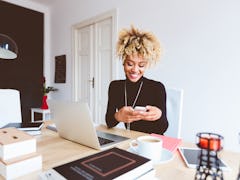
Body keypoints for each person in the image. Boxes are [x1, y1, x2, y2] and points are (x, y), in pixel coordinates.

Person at [105, 25, 168, 135]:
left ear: (146, 65)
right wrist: (118, 116)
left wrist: (159, 115)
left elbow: (163, 128)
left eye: (141, 65)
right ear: (123, 62)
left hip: (151, 142)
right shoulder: (115, 87)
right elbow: (109, 122)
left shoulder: (157, 88)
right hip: (129, 140)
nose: (135, 70)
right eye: (130, 64)